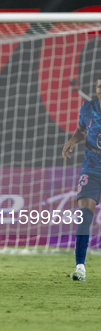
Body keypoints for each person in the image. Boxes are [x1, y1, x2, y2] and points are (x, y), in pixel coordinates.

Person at [62, 74, 101, 282]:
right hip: (92, 170)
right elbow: (80, 130)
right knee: (84, 215)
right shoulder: (88, 108)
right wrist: (72, 141)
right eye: (98, 86)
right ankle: (80, 267)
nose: (100, 89)